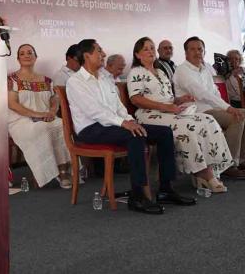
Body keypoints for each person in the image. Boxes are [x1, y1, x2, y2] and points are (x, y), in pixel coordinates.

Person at [66, 39, 195, 214]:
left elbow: (118, 106)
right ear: (87, 55)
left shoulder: (104, 78)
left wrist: (130, 120)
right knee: (135, 136)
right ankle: (138, 196)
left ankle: (166, 189)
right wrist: (124, 123)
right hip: (91, 129)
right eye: (99, 50)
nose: (103, 54)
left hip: (113, 125)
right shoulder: (75, 81)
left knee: (164, 133)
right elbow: (94, 111)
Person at [128, 37, 234, 193]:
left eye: (152, 48)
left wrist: (180, 100)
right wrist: (166, 107)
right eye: (146, 49)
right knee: (188, 128)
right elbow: (135, 99)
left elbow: (169, 98)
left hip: (169, 110)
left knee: (207, 119)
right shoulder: (136, 72)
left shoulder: (160, 72)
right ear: (137, 55)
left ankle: (211, 168)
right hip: (150, 114)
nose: (150, 51)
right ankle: (204, 173)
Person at [173, 37, 245, 180]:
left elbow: (214, 92)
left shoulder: (205, 69)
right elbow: (201, 94)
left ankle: (244, 160)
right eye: (192, 49)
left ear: (204, 51)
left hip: (213, 109)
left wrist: (224, 107)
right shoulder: (182, 70)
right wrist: (228, 108)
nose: (197, 52)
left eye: (200, 49)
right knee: (236, 118)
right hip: (198, 112)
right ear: (185, 52)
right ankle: (229, 165)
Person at [7, 44, 73, 188]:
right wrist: (39, 115)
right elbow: (13, 105)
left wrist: (51, 112)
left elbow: (54, 99)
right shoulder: (12, 79)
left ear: (35, 57)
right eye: (22, 53)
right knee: (41, 128)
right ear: (18, 59)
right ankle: (48, 172)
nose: (26, 55)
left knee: (61, 125)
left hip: (46, 117)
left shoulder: (47, 80)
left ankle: (64, 170)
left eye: (30, 53)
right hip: (20, 120)